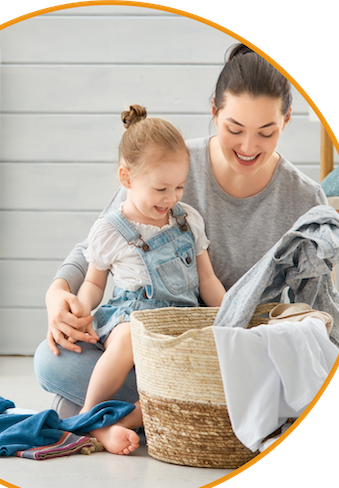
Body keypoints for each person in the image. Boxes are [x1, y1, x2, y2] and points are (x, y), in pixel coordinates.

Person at [33, 43, 329, 438]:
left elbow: (318, 306)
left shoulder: (305, 199)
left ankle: (116, 415)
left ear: (287, 120)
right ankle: (147, 411)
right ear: (214, 112)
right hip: (151, 343)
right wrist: (57, 296)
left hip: (237, 353)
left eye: (266, 132)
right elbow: (97, 246)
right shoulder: (171, 163)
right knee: (52, 361)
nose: (247, 146)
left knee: (274, 378)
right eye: (234, 129)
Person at [69, 105, 225, 454]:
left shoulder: (187, 220)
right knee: (127, 338)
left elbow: (207, 279)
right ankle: (87, 414)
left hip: (178, 320)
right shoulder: (111, 229)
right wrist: (79, 307)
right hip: (132, 316)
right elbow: (94, 283)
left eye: (180, 187)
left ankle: (114, 425)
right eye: (160, 189)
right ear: (126, 178)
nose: (170, 198)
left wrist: (229, 316)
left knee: (199, 368)